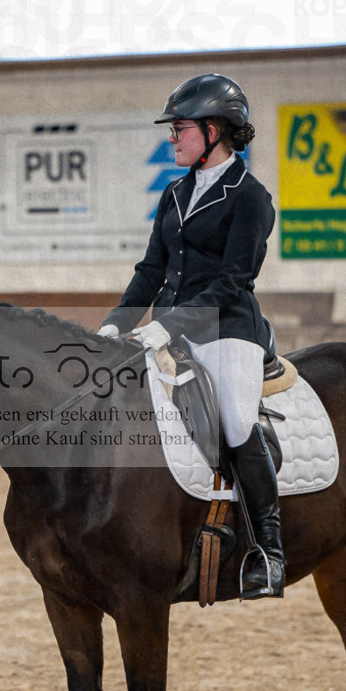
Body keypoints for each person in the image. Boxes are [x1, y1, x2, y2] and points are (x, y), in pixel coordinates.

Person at [97, 73, 284, 599]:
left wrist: (164, 326)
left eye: (179, 129)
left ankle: (268, 551)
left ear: (214, 130)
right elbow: (150, 271)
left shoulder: (250, 197)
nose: (172, 138)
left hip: (229, 330)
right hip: (169, 330)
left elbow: (233, 282)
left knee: (236, 420)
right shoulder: (175, 193)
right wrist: (116, 322)